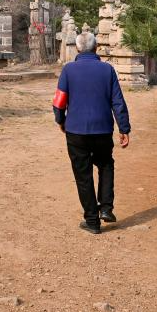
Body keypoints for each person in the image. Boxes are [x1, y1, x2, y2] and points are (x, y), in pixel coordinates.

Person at [53, 31, 131, 234]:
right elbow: (118, 101)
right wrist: (124, 128)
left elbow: (59, 101)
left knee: (83, 174)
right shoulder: (107, 70)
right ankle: (105, 208)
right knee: (106, 164)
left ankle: (92, 221)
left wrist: (61, 120)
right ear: (96, 48)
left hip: (76, 130)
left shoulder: (68, 70)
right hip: (102, 129)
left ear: (77, 49)